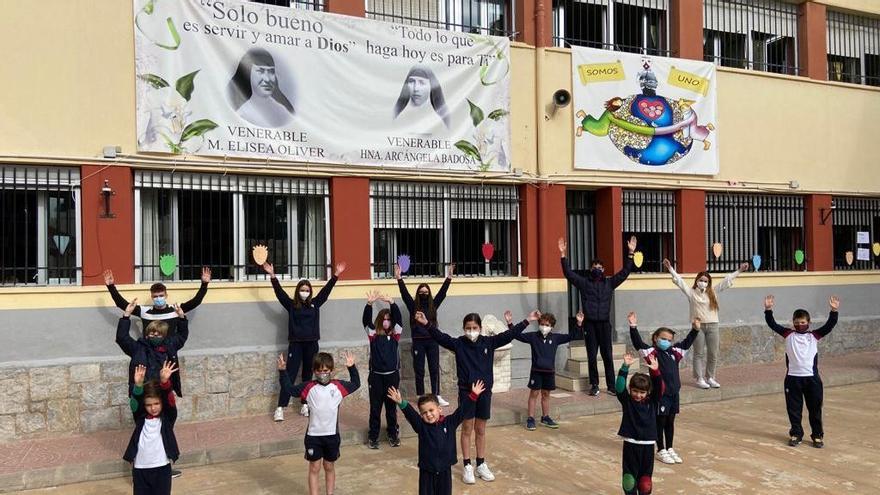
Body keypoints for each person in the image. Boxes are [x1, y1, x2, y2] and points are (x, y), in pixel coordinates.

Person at [420, 309, 538, 484]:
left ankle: (481, 464)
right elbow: (440, 337)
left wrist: (527, 320)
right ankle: (467, 465)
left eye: (475, 327)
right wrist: (426, 324)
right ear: (464, 329)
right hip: (467, 393)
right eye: (468, 328)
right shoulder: (458, 343)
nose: (471, 330)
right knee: (467, 428)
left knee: (481, 429)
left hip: (484, 393)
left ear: (480, 328)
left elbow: (509, 334)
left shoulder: (488, 342)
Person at [263, 260, 346, 422]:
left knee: (308, 374)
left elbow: (326, 292)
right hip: (296, 344)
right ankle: (280, 407)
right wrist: (272, 276)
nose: (305, 292)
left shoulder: (315, 304)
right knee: (290, 374)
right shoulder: (292, 305)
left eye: (307, 290)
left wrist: (336, 275)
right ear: (297, 291)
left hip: (312, 343)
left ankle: (305, 404)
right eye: (302, 290)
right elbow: (279, 293)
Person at [559, 236, 638, 396]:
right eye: (595, 266)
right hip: (589, 325)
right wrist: (563, 255)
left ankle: (611, 386)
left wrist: (630, 253)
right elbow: (568, 274)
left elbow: (624, 273)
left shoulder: (609, 283)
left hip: (604, 324)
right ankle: (594, 385)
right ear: (591, 268)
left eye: (600, 267)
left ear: (603, 270)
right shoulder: (584, 283)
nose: (598, 269)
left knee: (607, 355)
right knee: (591, 356)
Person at [278, 351, 360, 495]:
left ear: (331, 370)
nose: (323, 374)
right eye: (319, 371)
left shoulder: (338, 386)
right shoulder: (308, 387)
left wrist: (352, 367)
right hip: (314, 436)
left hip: (332, 436)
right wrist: (282, 371)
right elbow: (289, 389)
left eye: (326, 371)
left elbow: (356, 384)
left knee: (329, 466)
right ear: (314, 371)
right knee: (314, 468)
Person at [764, 294, 840, 448]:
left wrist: (833, 311)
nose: (800, 325)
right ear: (793, 323)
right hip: (793, 379)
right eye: (797, 322)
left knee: (815, 409)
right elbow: (772, 324)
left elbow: (829, 326)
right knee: (794, 410)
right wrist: (768, 309)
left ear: (808, 323)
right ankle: (796, 434)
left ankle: (817, 435)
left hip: (812, 379)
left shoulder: (814, 336)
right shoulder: (788, 334)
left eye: (803, 322)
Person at [386, 380, 486, 495]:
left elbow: (461, 412)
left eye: (431, 410)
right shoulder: (421, 426)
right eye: (424, 412)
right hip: (427, 471)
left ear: (439, 409)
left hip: (445, 471)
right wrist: (401, 402)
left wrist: (473, 395)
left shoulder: (449, 423)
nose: (428, 414)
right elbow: (411, 415)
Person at [662, 259, 748, 389]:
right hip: (698, 327)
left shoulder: (712, 292)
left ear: (709, 283)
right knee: (699, 353)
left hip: (713, 325)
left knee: (713, 353)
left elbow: (726, 280)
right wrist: (670, 269)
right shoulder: (691, 293)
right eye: (701, 280)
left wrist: (740, 270)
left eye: (706, 281)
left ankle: (710, 377)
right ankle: (699, 378)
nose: (703, 282)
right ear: (697, 280)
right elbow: (680, 281)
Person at [628, 311, 699, 465]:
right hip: (661, 394)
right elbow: (638, 343)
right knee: (660, 421)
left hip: (674, 394)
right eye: (663, 339)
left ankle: (670, 447)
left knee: (670, 421)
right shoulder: (651, 353)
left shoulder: (675, 352)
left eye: (669, 340)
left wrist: (695, 329)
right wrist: (633, 326)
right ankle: (660, 449)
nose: (666, 342)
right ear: (655, 338)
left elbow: (687, 343)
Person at [506, 309, 580, 430]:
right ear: (539, 324)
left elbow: (573, 336)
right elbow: (516, 335)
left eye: (547, 325)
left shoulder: (556, 338)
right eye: (542, 324)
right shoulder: (533, 337)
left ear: (552, 327)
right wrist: (510, 323)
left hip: (549, 372)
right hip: (536, 371)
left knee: (546, 394)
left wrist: (579, 323)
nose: (544, 327)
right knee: (534, 394)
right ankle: (530, 418)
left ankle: (545, 417)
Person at [396, 263, 454, 406]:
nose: (423, 294)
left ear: (429, 293)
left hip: (433, 341)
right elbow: (404, 294)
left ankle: (437, 395)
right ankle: (420, 395)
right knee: (419, 370)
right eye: (421, 292)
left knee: (434, 369)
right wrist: (399, 279)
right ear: (418, 293)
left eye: (425, 292)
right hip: (418, 342)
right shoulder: (413, 306)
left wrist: (449, 278)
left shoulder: (433, 305)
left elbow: (442, 293)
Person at [103, 266, 210, 338]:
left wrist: (204, 284)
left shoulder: (176, 310)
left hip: (169, 352)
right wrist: (111, 286)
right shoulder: (144, 311)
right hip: (149, 353)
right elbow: (121, 304)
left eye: (161, 296)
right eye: (155, 296)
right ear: (152, 297)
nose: (158, 298)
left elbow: (196, 302)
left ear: (166, 295)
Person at [123, 361, 179, 495]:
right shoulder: (141, 418)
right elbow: (134, 404)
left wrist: (165, 382)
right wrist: (137, 386)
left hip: (162, 468)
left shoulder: (166, 419)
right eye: (149, 405)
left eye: (156, 403)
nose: (153, 408)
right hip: (140, 469)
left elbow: (170, 402)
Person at [116, 299, 188, 399]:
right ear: (147, 334)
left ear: (164, 335)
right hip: (143, 392)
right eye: (152, 333)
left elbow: (182, 336)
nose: (155, 335)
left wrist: (182, 317)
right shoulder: (138, 348)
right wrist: (126, 315)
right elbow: (122, 338)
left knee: (168, 414)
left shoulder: (170, 346)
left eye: (159, 333)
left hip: (164, 390)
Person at [616, 352, 664, 495]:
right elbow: (619, 387)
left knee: (645, 483)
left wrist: (655, 371)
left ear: (648, 392)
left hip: (648, 446)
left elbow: (660, 388)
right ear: (630, 390)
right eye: (635, 391)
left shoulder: (652, 402)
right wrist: (625, 367)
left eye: (642, 392)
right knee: (629, 480)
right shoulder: (627, 401)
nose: (638, 395)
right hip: (631, 444)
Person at [363, 290, 404, 449]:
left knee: (391, 408)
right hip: (376, 378)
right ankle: (373, 437)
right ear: (380, 321)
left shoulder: (395, 334)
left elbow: (399, 320)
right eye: (384, 319)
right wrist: (369, 304)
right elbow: (366, 321)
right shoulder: (373, 334)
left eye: (389, 319)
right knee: (375, 409)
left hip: (392, 377)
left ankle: (393, 434)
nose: (386, 321)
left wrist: (392, 303)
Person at [227, 48, 295, 128]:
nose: (267, 79)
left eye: (271, 72)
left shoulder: (284, 113)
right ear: (248, 75)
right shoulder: (241, 114)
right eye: (261, 72)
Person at [393, 65, 451, 133]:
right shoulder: (398, 121)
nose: (416, 88)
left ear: (431, 87)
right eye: (412, 82)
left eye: (421, 83)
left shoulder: (439, 125)